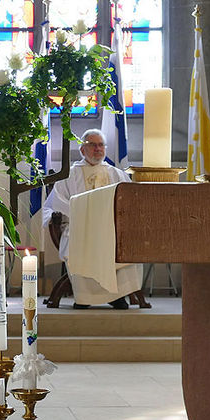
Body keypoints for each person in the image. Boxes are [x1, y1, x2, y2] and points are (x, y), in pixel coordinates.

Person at [42, 129, 143, 310]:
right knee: (80, 241)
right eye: (93, 145)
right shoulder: (69, 175)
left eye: (101, 145)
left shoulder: (116, 174)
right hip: (79, 226)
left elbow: (130, 201)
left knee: (122, 241)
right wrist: (84, 215)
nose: (98, 149)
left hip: (111, 228)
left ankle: (117, 296)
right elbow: (57, 202)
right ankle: (84, 297)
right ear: (82, 150)